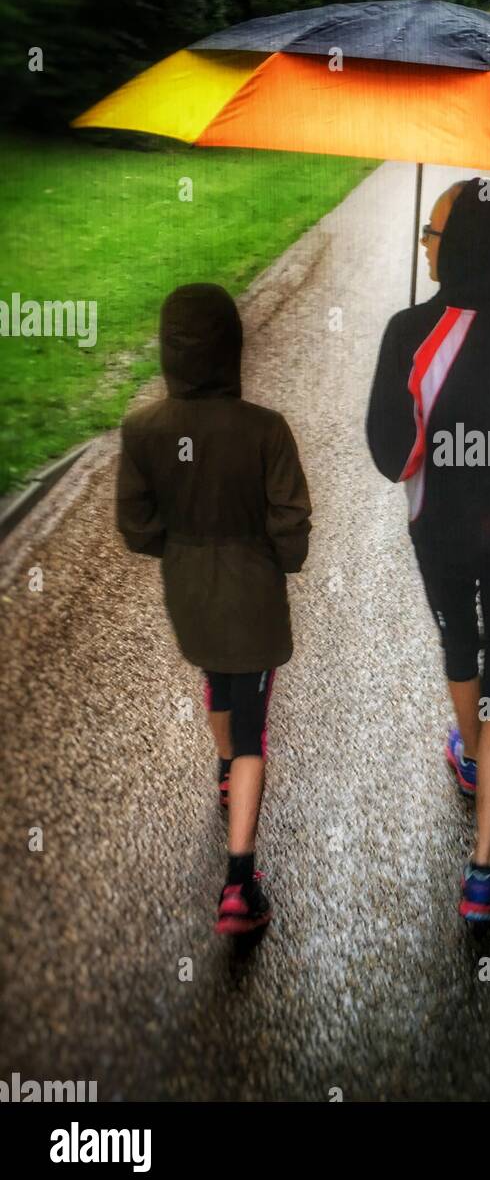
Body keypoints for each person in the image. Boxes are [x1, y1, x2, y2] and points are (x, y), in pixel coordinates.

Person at [366, 177, 490, 923]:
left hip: (441, 530)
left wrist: (404, 354)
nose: (424, 241)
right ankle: (483, 874)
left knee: (462, 647)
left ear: (465, 246)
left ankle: (470, 753)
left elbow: (395, 456)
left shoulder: (410, 332)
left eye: (434, 231)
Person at [116, 284, 311, 936]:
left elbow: (137, 527)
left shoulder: (144, 430)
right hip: (252, 597)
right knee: (254, 723)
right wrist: (282, 556)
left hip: (190, 594)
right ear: (232, 348)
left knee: (215, 682)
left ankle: (226, 772)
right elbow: (291, 523)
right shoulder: (265, 431)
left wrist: (182, 547)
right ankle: (238, 883)